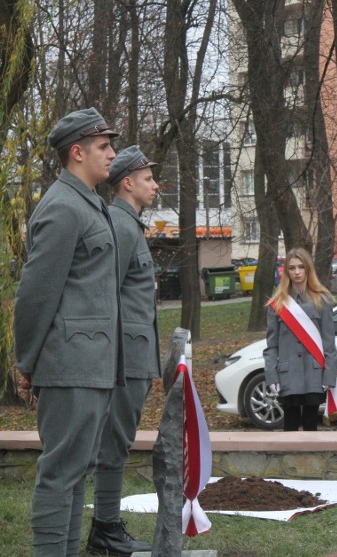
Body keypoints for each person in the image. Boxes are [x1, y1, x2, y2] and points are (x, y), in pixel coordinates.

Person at [13, 108, 122, 557]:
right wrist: (27, 362)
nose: (112, 154)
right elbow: (35, 295)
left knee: (77, 472)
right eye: (103, 147)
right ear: (77, 152)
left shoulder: (87, 202)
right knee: (61, 473)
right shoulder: (61, 207)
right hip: (69, 365)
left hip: (91, 365)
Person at [85, 146, 161, 555]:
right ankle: (105, 529)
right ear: (128, 182)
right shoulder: (120, 224)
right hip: (123, 357)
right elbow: (104, 297)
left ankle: (106, 526)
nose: (155, 184)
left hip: (134, 354)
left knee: (119, 440)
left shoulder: (130, 224)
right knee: (114, 442)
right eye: (148, 178)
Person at [264, 248, 337, 431]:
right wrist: (271, 374)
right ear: (286, 271)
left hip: (314, 374)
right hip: (288, 374)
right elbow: (271, 346)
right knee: (289, 425)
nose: (297, 272)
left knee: (311, 424)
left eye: (301, 267)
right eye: (292, 268)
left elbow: (329, 343)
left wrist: (329, 375)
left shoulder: (322, 301)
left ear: (308, 269)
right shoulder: (277, 304)